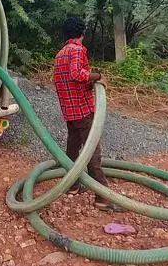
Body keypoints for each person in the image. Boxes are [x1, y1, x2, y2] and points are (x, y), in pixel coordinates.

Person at [53, 16, 118, 212]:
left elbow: (67, 81)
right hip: (82, 110)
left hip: (69, 112)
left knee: (73, 150)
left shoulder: (60, 54)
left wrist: (89, 83)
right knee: (92, 153)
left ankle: (72, 186)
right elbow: (76, 74)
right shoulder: (78, 50)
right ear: (82, 33)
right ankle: (102, 197)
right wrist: (98, 76)